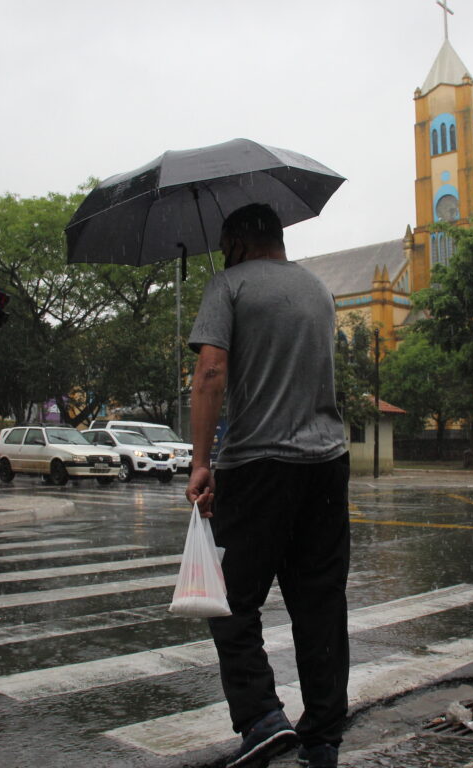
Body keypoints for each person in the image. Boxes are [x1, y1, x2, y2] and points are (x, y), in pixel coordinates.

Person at [186, 203, 349, 768]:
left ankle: (261, 717)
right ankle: (324, 736)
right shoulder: (318, 290)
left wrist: (201, 462)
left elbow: (211, 372)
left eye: (224, 242)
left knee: (226, 599)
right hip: (328, 463)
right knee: (320, 601)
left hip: (257, 464)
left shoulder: (227, 286)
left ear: (236, 240)